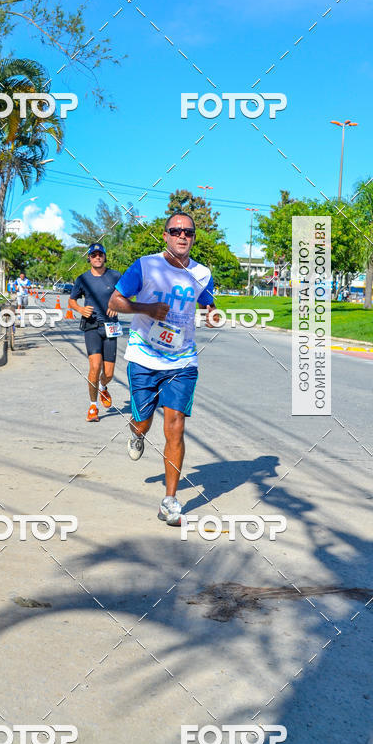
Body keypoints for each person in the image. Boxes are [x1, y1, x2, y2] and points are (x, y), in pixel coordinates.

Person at [108, 212, 215, 526]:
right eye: (176, 230)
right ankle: (137, 433)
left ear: (194, 237)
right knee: (143, 423)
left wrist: (212, 312)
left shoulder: (203, 273)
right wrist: (147, 308)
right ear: (165, 235)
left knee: (176, 426)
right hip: (144, 359)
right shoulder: (145, 265)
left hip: (182, 361)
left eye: (188, 232)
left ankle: (170, 501)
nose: (182, 236)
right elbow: (115, 302)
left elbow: (208, 302)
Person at [69, 242, 121, 422]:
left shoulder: (115, 276)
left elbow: (125, 294)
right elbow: (72, 301)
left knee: (108, 374)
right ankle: (93, 407)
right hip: (91, 326)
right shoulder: (82, 279)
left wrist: (117, 303)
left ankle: (103, 388)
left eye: (100, 254)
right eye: (94, 255)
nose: (97, 257)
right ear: (89, 258)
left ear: (105, 257)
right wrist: (80, 309)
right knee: (94, 366)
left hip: (111, 327)